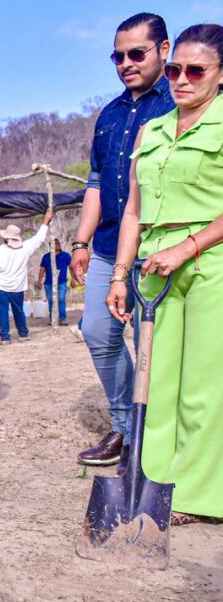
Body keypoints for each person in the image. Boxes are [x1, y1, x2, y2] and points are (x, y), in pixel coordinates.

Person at [105, 23, 223, 526]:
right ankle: (152, 482)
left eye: (195, 70)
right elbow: (132, 210)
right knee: (155, 383)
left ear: (219, 74)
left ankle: (198, 496)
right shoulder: (152, 129)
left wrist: (188, 247)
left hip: (209, 259)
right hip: (153, 264)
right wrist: (119, 275)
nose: (181, 78)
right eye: (175, 69)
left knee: (203, 384)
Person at [69, 12, 175, 468]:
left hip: (160, 247)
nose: (126, 63)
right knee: (97, 330)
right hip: (110, 244)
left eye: (137, 53)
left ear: (164, 51)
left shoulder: (180, 102)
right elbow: (95, 181)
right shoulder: (110, 114)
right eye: (118, 56)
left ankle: (157, 439)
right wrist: (80, 241)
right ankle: (125, 428)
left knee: (154, 344)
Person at [0, 215, 51, 345]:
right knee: (18, 310)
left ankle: (5, 337)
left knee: (2, 312)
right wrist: (45, 222)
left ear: (6, 239)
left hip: (1, 287)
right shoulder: (25, 249)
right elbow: (39, 239)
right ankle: (23, 334)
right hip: (17, 287)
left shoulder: (0, 250)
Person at [38, 239, 72, 325]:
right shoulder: (46, 257)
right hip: (49, 283)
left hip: (61, 282)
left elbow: (71, 268)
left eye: (59, 243)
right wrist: (39, 281)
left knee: (61, 300)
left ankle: (62, 319)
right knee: (51, 301)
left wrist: (73, 279)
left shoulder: (65, 256)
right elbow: (42, 269)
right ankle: (52, 319)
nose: (58, 245)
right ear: (51, 245)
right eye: (56, 243)